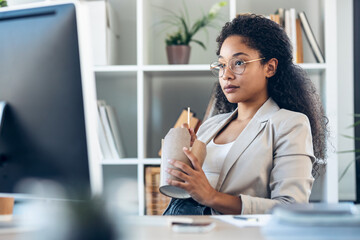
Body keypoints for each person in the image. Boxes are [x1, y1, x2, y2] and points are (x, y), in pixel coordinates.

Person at [163, 14, 328, 215]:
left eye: (239, 63)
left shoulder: (290, 124)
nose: (227, 75)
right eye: (222, 65)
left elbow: (291, 207)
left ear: (270, 67)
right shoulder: (209, 126)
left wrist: (211, 197)